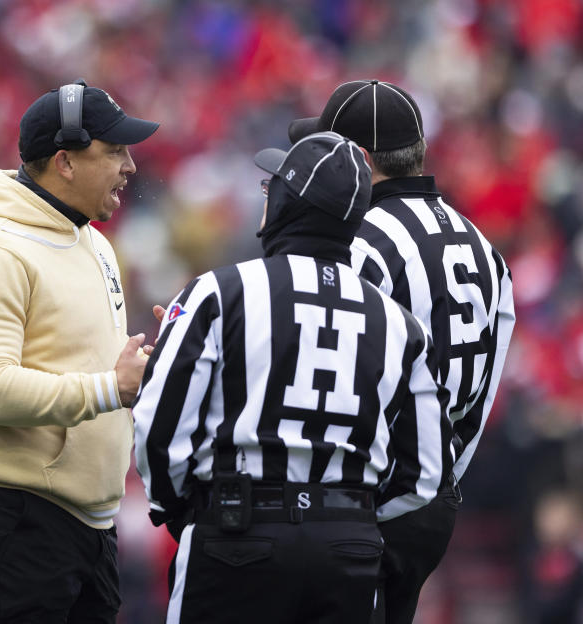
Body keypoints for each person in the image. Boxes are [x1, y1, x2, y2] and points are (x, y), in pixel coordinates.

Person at [133, 131, 451, 623]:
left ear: (286, 202)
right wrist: (349, 511)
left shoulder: (218, 293)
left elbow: (157, 430)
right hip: (348, 546)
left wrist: (189, 512)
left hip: (237, 530)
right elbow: (425, 472)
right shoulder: (399, 324)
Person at [0, 80, 158, 623]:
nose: (130, 166)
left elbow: (87, 362)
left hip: (86, 521)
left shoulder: (92, 240)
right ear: (65, 162)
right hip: (18, 516)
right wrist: (111, 387)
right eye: (114, 151)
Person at [287, 79, 516, 623]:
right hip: (432, 498)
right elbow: (487, 384)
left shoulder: (360, 238)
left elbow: (333, 379)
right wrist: (439, 480)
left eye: (329, 151)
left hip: (364, 501)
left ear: (361, 160)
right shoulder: (483, 247)